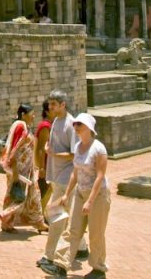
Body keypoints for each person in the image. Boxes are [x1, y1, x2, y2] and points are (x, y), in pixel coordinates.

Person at [43, 113, 110, 279]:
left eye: (79, 124)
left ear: (89, 128)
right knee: (73, 229)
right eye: (75, 124)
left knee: (96, 233)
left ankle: (98, 268)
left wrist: (91, 200)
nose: (76, 127)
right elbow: (75, 173)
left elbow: (100, 176)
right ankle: (61, 265)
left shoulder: (99, 149)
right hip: (81, 193)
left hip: (98, 195)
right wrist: (67, 194)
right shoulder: (79, 146)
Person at [37, 91, 88, 274]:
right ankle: (81, 248)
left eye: (53, 104)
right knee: (68, 215)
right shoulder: (56, 122)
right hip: (56, 176)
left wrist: (54, 154)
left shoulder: (70, 125)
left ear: (62, 104)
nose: (50, 108)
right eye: (49, 104)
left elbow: (75, 154)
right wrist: (47, 149)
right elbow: (53, 147)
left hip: (67, 178)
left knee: (57, 216)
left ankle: (50, 256)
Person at [0, 103, 47, 234]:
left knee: (33, 195)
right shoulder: (20, 126)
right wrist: (14, 170)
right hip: (19, 171)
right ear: (24, 115)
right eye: (31, 114)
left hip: (27, 169)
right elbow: (14, 150)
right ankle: (6, 220)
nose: (34, 116)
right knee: (16, 195)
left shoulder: (23, 126)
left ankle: (39, 222)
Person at [35, 101, 53, 210]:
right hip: (46, 165)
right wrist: (42, 168)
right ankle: (40, 216)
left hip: (50, 164)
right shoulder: (45, 126)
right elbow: (41, 148)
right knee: (46, 191)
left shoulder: (51, 125)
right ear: (47, 111)